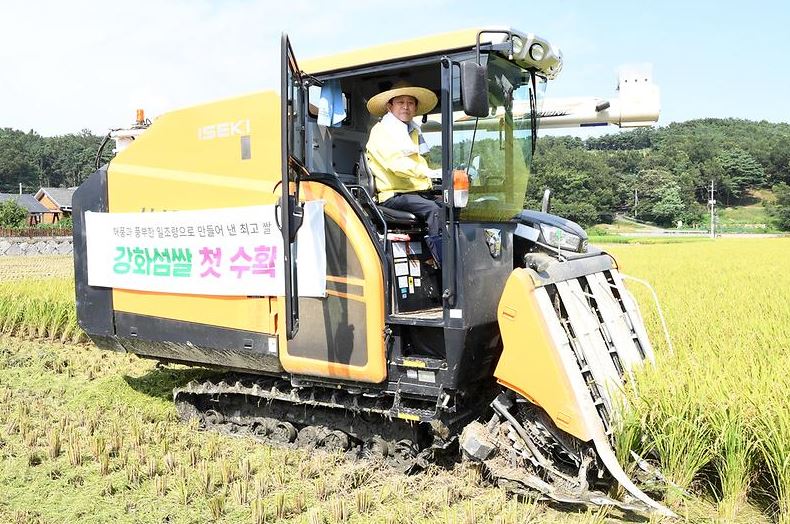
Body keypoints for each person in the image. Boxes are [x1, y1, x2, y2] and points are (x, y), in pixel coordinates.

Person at [365, 82, 443, 266]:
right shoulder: (382, 132)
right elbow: (396, 165)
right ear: (389, 106)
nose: (406, 107)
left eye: (410, 103)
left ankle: (432, 258)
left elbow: (419, 164)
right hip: (393, 195)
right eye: (400, 102)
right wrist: (430, 173)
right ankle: (445, 267)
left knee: (453, 206)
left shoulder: (412, 131)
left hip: (413, 192)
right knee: (435, 210)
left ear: (415, 108)